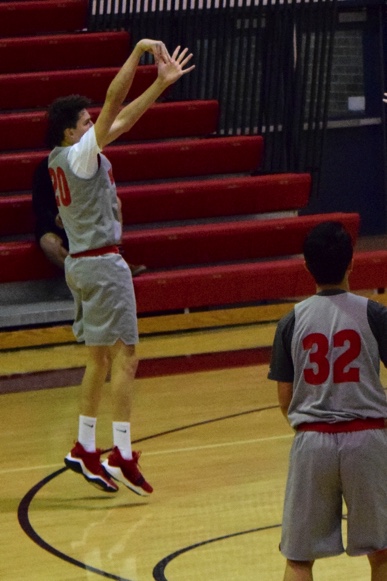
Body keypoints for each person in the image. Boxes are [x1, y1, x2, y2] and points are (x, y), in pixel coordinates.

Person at [47, 40, 194, 495]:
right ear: (72, 133)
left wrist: (160, 85)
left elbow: (123, 117)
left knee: (98, 359)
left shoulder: (64, 155)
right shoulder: (81, 155)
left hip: (81, 264)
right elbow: (114, 103)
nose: (97, 124)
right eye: (87, 123)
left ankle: (85, 447)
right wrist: (137, 55)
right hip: (102, 265)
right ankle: (122, 453)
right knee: (127, 358)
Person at [268, 220, 387, 581]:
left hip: (312, 441)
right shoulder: (375, 314)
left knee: (299, 559)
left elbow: (285, 397)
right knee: (383, 551)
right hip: (368, 439)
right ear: (352, 263)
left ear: (306, 266)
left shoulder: (291, 321)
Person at [32, 156, 146, 276]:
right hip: (57, 223)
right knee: (49, 243)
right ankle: (85, 276)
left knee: (114, 202)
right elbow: (39, 204)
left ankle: (116, 261)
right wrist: (54, 218)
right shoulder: (46, 167)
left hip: (85, 218)